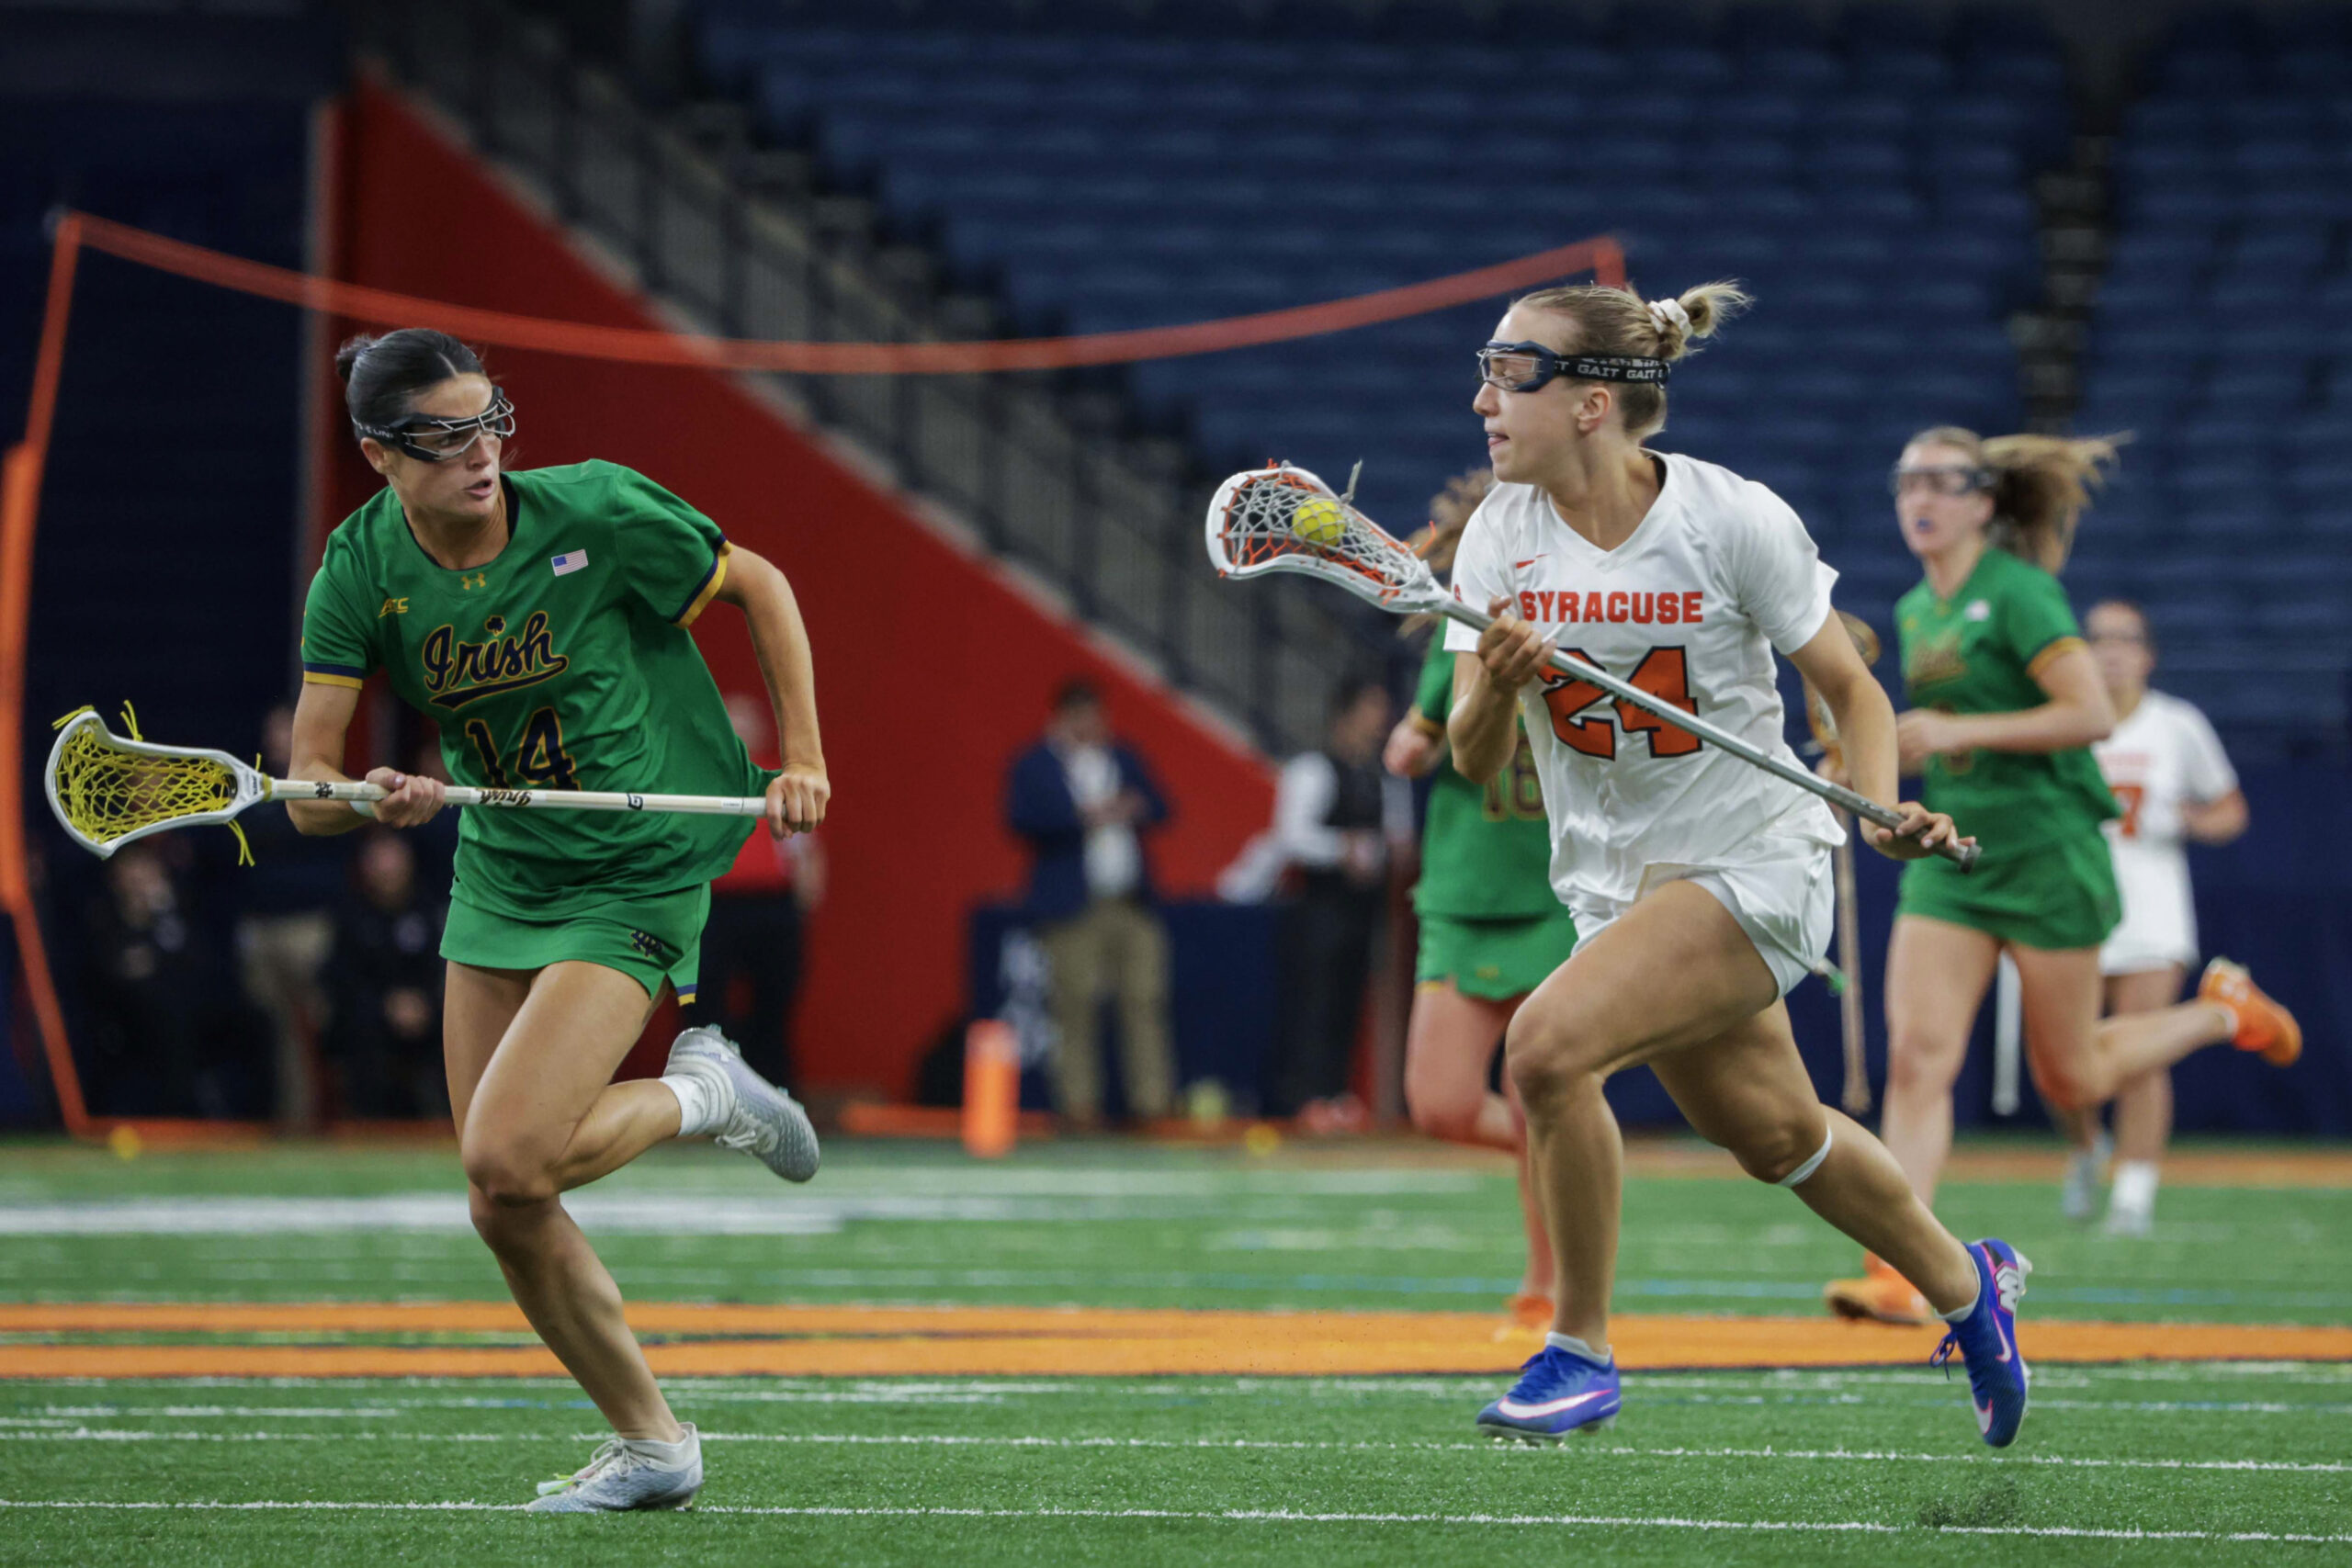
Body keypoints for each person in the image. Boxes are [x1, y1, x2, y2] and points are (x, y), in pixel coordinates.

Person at [1448, 279, 2030, 1449]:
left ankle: (1579, 1349)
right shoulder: (1497, 534)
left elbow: (1851, 689)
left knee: (1547, 1052)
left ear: (1594, 405)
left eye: (1512, 373)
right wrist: (1501, 685)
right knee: (1777, 1138)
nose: (1482, 402)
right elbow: (1472, 757)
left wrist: (1876, 807)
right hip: (1613, 884)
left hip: (1750, 857)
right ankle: (1969, 1288)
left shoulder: (1725, 518)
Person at [288, 328, 829, 1511]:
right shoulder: (359, 569)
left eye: (489, 422)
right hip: (503, 874)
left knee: (505, 1151)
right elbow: (313, 787)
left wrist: (802, 758)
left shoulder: (595, 512)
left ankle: (704, 1094)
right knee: (502, 1200)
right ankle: (654, 1447)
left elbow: (764, 587)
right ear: (380, 456)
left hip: (636, 864)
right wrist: (375, 799)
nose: (479, 454)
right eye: (441, 437)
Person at [1826, 430, 2299, 1324]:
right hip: (1953, 859)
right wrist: (1869, 766)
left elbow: (2086, 714)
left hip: (2049, 854)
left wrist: (1956, 732)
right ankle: (1898, 1268)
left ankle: (2219, 1011)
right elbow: (1942, 738)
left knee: (2073, 1080)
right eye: (1906, 481)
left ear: (1982, 502)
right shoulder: (1918, 606)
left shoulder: (2019, 592)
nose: (1918, 497)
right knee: (1919, 1060)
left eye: (1940, 481)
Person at [1383, 467, 1568, 1337]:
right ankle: (1575, 1157)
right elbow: (1418, 740)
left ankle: (1548, 1284)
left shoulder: (1597, 612)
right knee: (1442, 1102)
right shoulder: (1456, 639)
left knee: (1541, 1095)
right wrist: (1410, 745)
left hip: (1560, 889)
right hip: (1465, 888)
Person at [2057, 600, 2249, 1236]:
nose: (2111, 650)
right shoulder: (2062, 722)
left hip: (2151, 911)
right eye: (2099, 638)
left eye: (2125, 638)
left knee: (2140, 1053)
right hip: (2070, 905)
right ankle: (2088, 1149)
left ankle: (2135, 1191)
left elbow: (2230, 809)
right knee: (2064, 1059)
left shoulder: (2176, 724)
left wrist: (2186, 819)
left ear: (2147, 652)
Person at [1003, 679, 1174, 1129]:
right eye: (1079, 715)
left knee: (1144, 1000)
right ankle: (1079, 1108)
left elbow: (1162, 806)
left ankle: (1151, 1105)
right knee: (1074, 1005)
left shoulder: (1122, 757)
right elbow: (1020, 819)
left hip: (1130, 901)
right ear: (1061, 717)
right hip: (1071, 905)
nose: (1089, 724)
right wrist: (1084, 816)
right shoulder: (1036, 763)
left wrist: (1131, 806)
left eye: (1095, 714)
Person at [1269, 676, 1399, 1127]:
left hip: (1364, 909)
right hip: (1320, 908)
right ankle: (1307, 1097)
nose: (1381, 720)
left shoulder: (1381, 775)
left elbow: (1391, 841)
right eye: (1372, 708)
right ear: (1345, 715)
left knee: (1349, 1002)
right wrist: (1341, 849)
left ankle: (1337, 1095)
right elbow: (1291, 837)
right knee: (1315, 1002)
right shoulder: (1312, 769)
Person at [695, 692, 825, 1092]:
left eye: (747, 721)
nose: (740, 731)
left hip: (772, 908)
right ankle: (705, 1094)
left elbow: (804, 849)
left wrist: (805, 900)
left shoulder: (780, 781)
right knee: (705, 1010)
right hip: (712, 906)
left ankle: (774, 1093)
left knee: (773, 1008)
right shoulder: (698, 780)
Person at [232, 703, 345, 1125]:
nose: (279, 738)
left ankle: (340, 1117)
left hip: (309, 927)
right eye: (274, 730)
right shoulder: (250, 789)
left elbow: (333, 851)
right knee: (277, 1032)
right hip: (260, 928)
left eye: (287, 730)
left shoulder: (325, 782)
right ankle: (290, 1121)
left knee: (321, 1024)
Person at [322, 829, 447, 1120]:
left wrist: (424, 1003)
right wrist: (385, 1006)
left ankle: (448, 1122)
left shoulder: (429, 909)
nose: (387, 867)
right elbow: (340, 977)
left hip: (427, 1013)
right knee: (361, 1035)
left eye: (394, 857)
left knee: (455, 1026)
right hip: (371, 1016)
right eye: (378, 859)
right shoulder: (350, 914)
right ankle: (368, 1125)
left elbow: (441, 969)